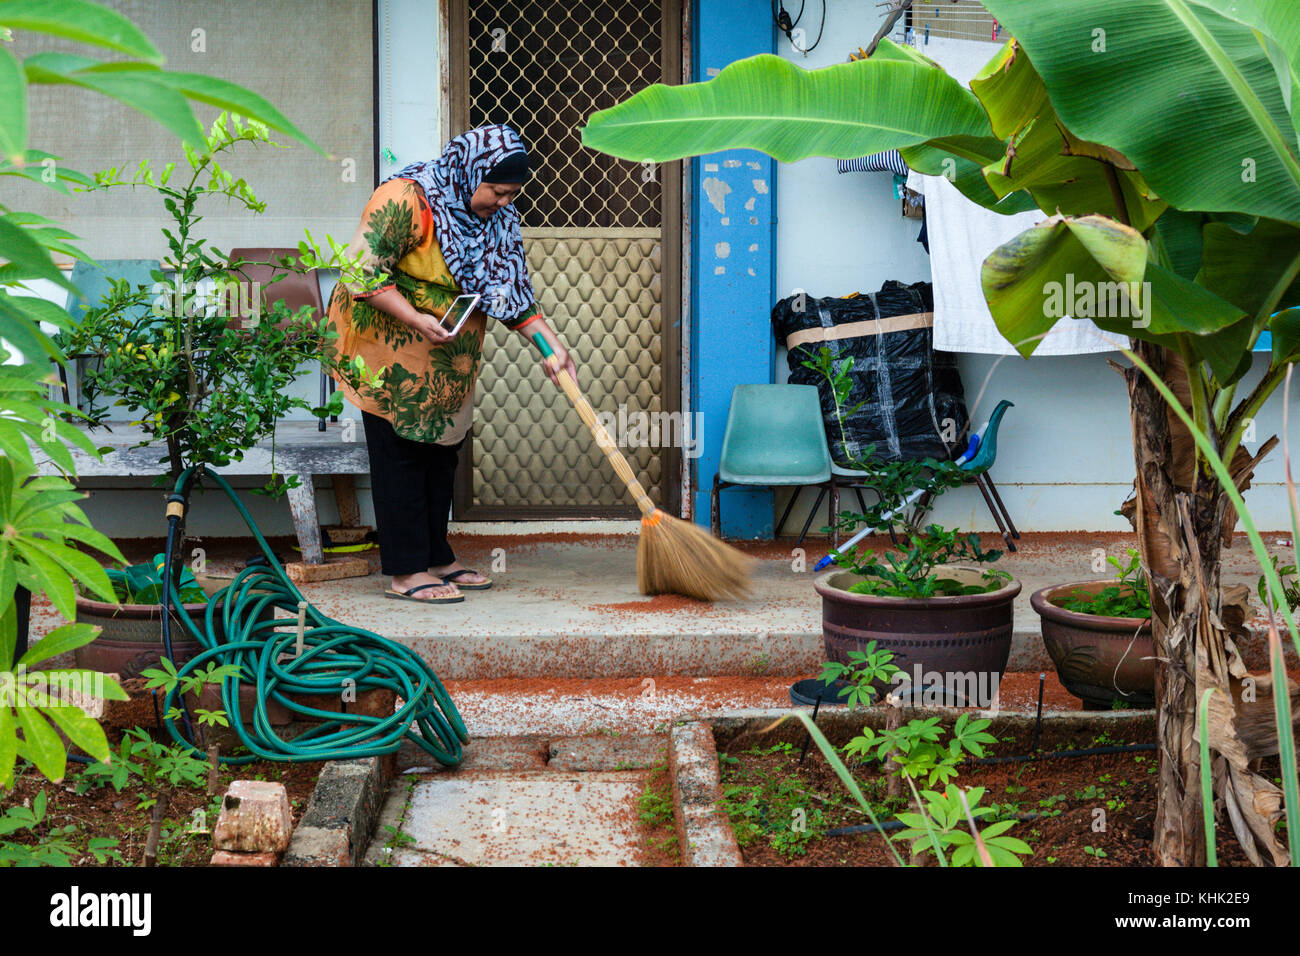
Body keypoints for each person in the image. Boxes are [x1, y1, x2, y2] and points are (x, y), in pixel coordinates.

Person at [328, 124, 576, 604]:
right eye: (497, 191)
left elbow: (512, 292)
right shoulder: (405, 199)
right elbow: (359, 269)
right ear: (470, 173)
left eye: (512, 194)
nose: (503, 202)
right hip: (387, 343)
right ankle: (405, 570)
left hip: (447, 354)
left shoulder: (497, 218)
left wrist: (551, 347)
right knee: (400, 451)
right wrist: (415, 317)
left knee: (441, 452)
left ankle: (436, 556)